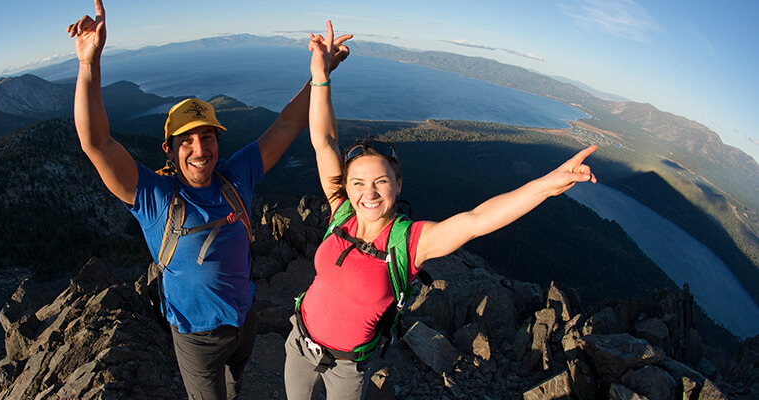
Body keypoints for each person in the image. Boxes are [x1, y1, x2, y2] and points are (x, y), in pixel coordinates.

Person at [283, 21, 599, 400]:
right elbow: (325, 140)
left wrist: (547, 185)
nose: (369, 193)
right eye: (358, 183)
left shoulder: (410, 242)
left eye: (381, 182)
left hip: (349, 367)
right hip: (298, 343)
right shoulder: (340, 214)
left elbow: (478, 220)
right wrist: (320, 74)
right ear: (347, 188)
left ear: (398, 185)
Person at [66, 2, 352, 399]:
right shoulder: (155, 197)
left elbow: (287, 123)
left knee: (236, 387)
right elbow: (96, 142)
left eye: (208, 137)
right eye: (186, 141)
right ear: (169, 150)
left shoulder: (237, 176)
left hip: (245, 320)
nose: (199, 149)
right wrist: (88, 65)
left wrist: (322, 75)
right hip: (196, 340)